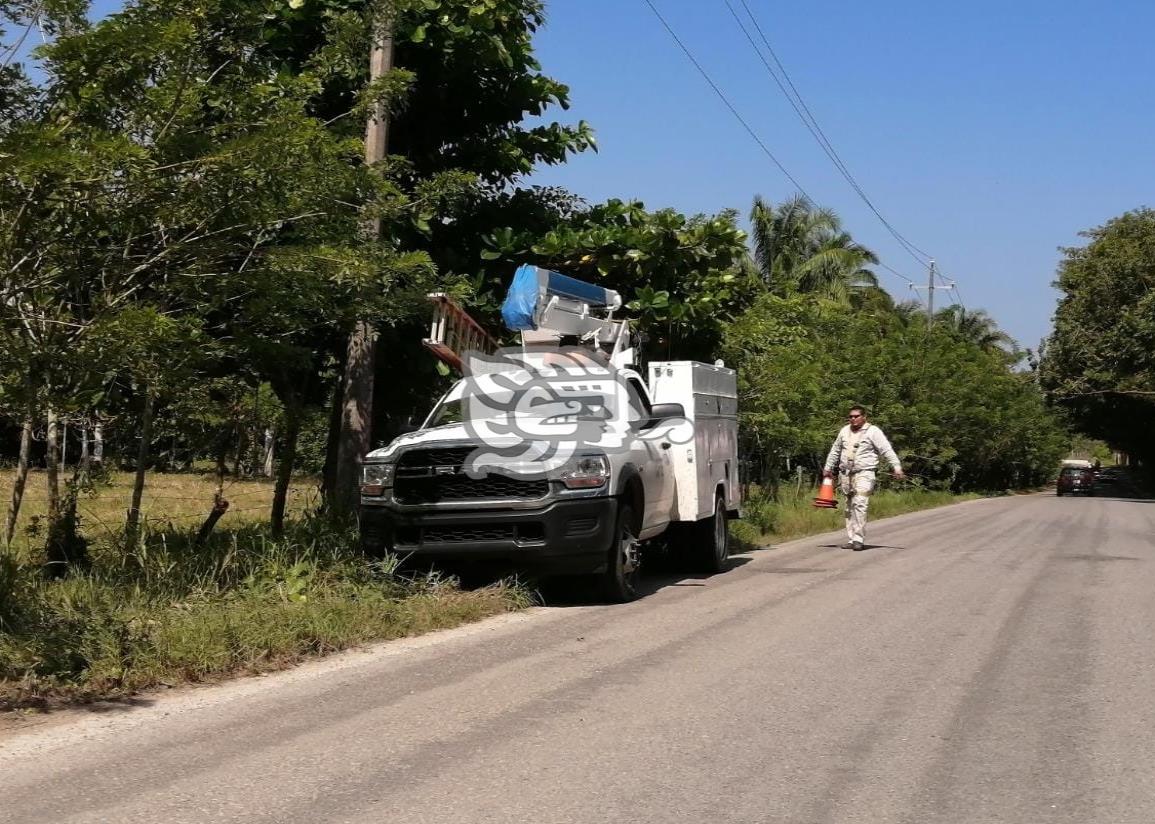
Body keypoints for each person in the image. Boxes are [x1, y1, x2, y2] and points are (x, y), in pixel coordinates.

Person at [823, 405, 904, 551]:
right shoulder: (844, 431)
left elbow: (886, 449)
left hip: (864, 473)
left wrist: (896, 467)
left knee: (860, 503)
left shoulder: (873, 431)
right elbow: (835, 450)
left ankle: (859, 539)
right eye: (851, 416)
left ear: (864, 417)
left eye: (856, 416)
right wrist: (828, 467)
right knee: (848, 506)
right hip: (846, 474)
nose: (853, 419)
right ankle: (851, 538)